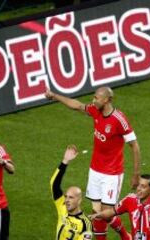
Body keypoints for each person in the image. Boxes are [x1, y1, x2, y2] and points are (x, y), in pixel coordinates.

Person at [46, 87, 141, 240]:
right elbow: (76, 105)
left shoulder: (119, 119)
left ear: (107, 100)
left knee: (105, 212)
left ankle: (125, 236)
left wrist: (136, 175)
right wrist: (54, 96)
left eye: (97, 98)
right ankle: (124, 236)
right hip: (95, 170)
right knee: (97, 212)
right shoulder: (95, 110)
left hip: (112, 174)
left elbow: (135, 146)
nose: (93, 100)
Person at [90, 174, 150, 240]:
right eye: (138, 185)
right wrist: (99, 214)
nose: (138, 188)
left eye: (143, 186)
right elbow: (112, 211)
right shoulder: (130, 200)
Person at [50, 145, 93, 240]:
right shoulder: (62, 207)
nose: (67, 200)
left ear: (79, 200)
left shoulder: (85, 224)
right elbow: (54, 184)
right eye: (66, 196)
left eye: (71, 197)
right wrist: (65, 161)